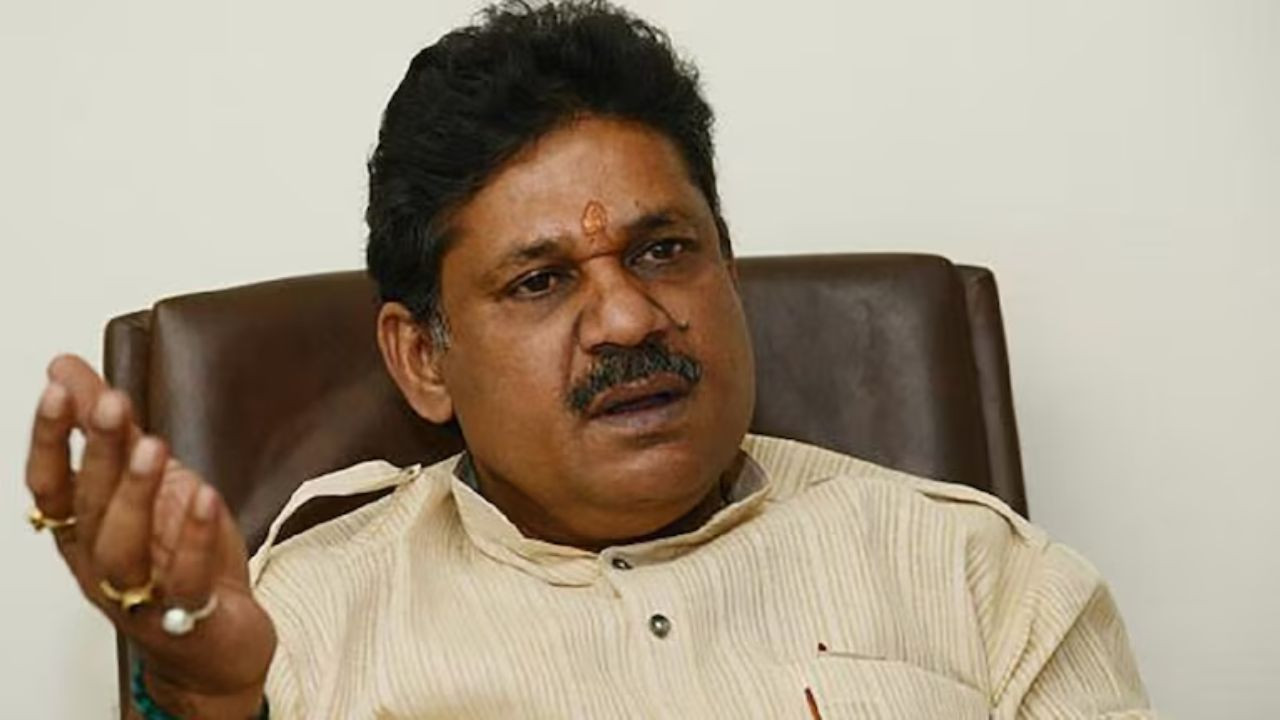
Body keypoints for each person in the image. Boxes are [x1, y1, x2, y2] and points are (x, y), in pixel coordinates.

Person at [24, 1, 1153, 717]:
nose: (626, 318)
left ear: (726, 271)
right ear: (422, 359)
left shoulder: (986, 583)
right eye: (541, 280)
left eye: (663, 251)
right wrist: (205, 700)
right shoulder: (301, 626)